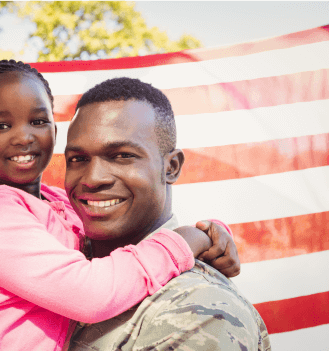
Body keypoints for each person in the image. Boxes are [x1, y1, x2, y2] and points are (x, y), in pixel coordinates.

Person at [0, 60, 237, 351]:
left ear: (53, 131)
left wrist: (212, 234)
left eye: (37, 121)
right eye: (0, 125)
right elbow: (92, 292)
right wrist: (186, 241)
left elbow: (101, 248)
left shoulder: (57, 204)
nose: (23, 137)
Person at [64, 77, 271, 351]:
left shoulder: (199, 307)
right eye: (78, 159)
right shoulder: (57, 260)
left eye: (122, 155)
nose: (92, 178)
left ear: (171, 167)